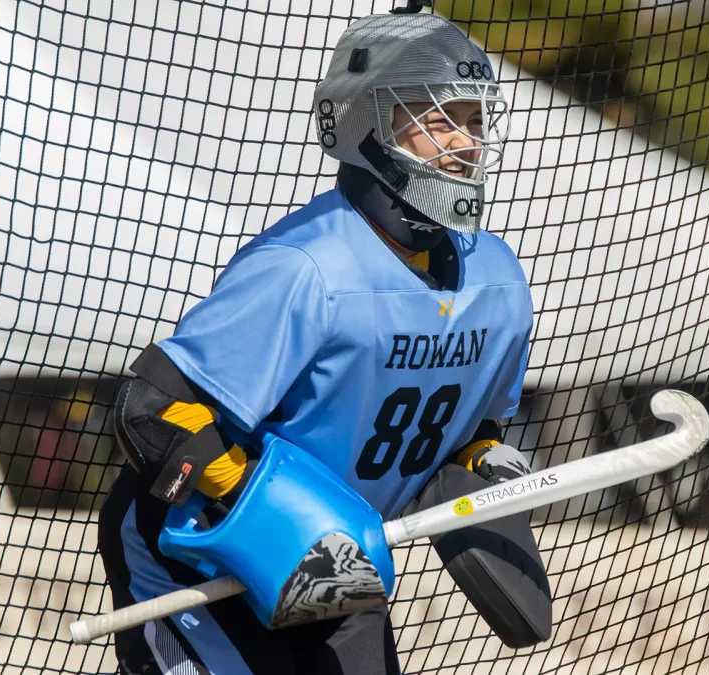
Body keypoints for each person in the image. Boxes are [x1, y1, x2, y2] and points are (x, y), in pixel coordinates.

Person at [96, 9, 549, 675]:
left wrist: (484, 460)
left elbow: (469, 424)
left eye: (476, 122)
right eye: (437, 120)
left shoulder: (498, 281)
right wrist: (272, 513)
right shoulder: (304, 267)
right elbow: (150, 410)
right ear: (366, 122)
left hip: (339, 575)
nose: (464, 143)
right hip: (195, 560)